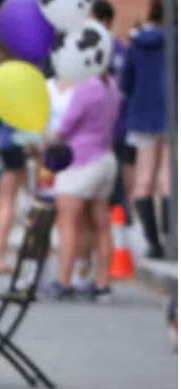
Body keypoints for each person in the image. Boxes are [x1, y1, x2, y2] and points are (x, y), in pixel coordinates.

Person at [47, 46, 125, 297]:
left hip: (80, 159)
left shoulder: (85, 88)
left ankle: (64, 280)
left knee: (68, 221)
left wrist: (48, 139)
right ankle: (102, 284)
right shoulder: (111, 84)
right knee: (101, 223)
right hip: (106, 157)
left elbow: (67, 126)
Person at [117, 0, 169, 261]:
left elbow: (125, 82)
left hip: (142, 112)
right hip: (173, 113)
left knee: (144, 179)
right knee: (168, 179)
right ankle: (171, 236)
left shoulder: (138, 42)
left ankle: (153, 242)